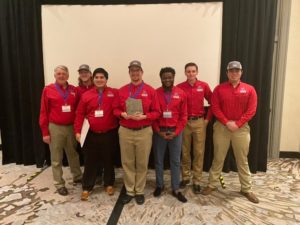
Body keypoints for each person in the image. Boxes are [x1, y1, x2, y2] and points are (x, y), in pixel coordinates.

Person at [201, 61, 259, 204]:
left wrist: (238, 124)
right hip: (222, 127)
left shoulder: (250, 89)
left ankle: (246, 188)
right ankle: (212, 185)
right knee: (218, 157)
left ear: (241, 72)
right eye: (231, 71)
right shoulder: (219, 89)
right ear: (227, 73)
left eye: (237, 70)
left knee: (242, 159)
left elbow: (251, 110)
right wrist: (227, 122)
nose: (234, 73)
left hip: (241, 129)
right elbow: (215, 107)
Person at [114, 60, 160, 205]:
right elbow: (114, 109)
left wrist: (145, 116)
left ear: (142, 72)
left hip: (144, 131)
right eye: (132, 71)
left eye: (137, 70)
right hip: (125, 131)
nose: (135, 73)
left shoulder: (151, 90)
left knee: (141, 162)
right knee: (127, 162)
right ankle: (129, 190)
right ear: (129, 73)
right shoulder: (121, 90)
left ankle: (139, 190)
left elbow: (157, 112)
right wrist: (123, 114)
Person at [74, 67, 118, 201]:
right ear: (93, 79)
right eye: (97, 77)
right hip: (91, 134)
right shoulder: (86, 95)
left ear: (106, 79)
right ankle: (87, 186)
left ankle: (109, 184)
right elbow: (79, 114)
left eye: (102, 77)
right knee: (90, 161)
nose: (99, 80)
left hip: (109, 133)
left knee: (108, 159)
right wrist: (77, 131)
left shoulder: (114, 93)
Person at [39, 65, 82, 196]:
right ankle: (59, 183)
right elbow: (43, 111)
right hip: (55, 127)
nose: (61, 75)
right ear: (55, 76)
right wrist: (45, 132)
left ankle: (77, 176)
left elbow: (79, 110)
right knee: (56, 157)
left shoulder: (74, 90)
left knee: (73, 154)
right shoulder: (48, 90)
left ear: (68, 76)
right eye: (59, 73)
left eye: (64, 73)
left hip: (70, 127)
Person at [152, 67, 188, 203]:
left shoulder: (181, 93)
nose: (167, 79)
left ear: (173, 77)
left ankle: (176, 188)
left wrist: (176, 132)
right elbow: (153, 115)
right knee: (158, 160)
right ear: (161, 78)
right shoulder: (155, 93)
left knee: (175, 161)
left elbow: (184, 116)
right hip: (159, 131)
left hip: (175, 131)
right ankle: (159, 186)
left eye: (170, 77)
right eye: (164, 77)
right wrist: (158, 130)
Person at [177, 62, 212, 194]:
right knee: (185, 151)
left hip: (199, 123)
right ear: (185, 73)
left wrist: (207, 120)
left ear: (197, 72)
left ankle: (197, 180)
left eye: (193, 71)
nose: (191, 73)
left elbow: (212, 102)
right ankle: (186, 177)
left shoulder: (203, 86)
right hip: (185, 123)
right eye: (188, 71)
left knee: (198, 152)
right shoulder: (180, 87)